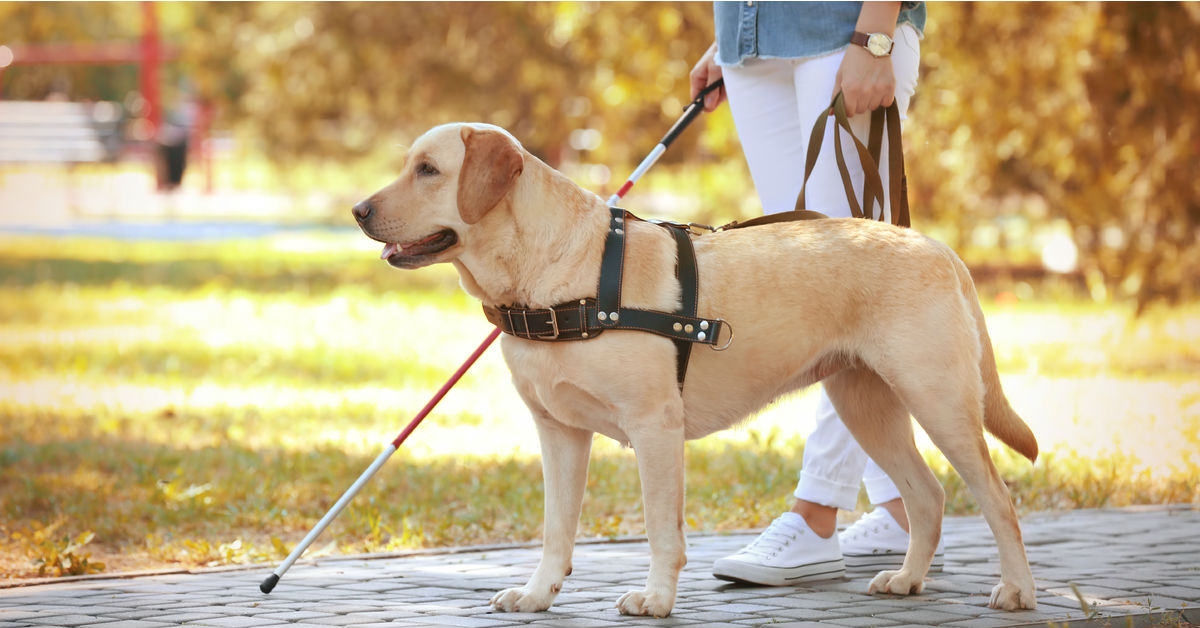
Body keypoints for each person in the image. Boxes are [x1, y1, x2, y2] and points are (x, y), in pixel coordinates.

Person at [690, 1, 937, 586]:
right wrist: (743, 33)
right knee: (807, 287)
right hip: (753, 43)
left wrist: (876, 36)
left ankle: (817, 512)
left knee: (849, 286)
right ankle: (904, 512)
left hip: (844, 30)